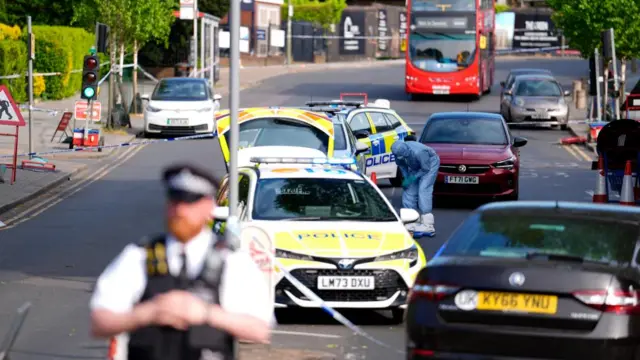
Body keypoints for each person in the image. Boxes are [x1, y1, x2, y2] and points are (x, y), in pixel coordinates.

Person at [89, 163, 272, 360]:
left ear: (209, 207)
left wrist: (206, 314)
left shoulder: (232, 261)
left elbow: (259, 329)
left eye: (190, 202)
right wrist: (149, 312)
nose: (180, 211)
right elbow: (99, 323)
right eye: (175, 201)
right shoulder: (138, 256)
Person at [391, 135, 440, 236]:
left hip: (430, 164)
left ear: (407, 151)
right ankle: (411, 220)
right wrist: (406, 179)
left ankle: (428, 225)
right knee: (408, 190)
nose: (401, 158)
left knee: (423, 189)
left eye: (403, 156)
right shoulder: (397, 151)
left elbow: (425, 169)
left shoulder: (419, 152)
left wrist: (412, 178)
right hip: (415, 165)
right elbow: (402, 165)